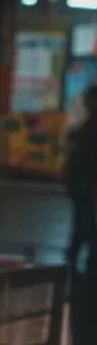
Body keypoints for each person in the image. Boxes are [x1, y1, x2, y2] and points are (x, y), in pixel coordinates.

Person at [65, 85, 97, 270]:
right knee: (85, 217)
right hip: (83, 180)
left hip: (83, 180)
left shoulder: (90, 124)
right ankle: (83, 253)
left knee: (83, 218)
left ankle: (76, 252)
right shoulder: (89, 122)